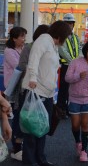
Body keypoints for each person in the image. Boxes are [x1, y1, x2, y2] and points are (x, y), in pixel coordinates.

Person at [21, 20, 72, 166]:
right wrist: (32, 78)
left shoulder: (53, 45)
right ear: (61, 34)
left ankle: (40, 159)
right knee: (32, 129)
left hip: (47, 93)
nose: (67, 39)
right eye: (66, 36)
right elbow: (33, 60)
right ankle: (31, 161)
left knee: (42, 127)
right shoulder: (43, 40)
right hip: (35, 90)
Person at [8, 25, 49, 162]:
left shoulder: (47, 48)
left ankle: (35, 154)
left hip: (41, 89)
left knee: (36, 121)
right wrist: (35, 72)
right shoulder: (29, 48)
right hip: (26, 88)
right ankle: (20, 150)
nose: (23, 39)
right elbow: (22, 66)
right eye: (21, 36)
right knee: (25, 119)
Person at [65, 39, 88, 162]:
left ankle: (84, 151)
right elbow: (67, 78)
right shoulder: (75, 62)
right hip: (74, 98)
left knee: (85, 124)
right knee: (75, 125)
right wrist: (78, 76)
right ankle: (78, 142)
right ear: (85, 50)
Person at [3, 26, 27, 161]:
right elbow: (19, 66)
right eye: (21, 37)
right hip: (13, 87)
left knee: (17, 114)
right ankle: (15, 147)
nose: (24, 39)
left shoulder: (22, 49)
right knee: (15, 114)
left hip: (21, 87)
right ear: (14, 38)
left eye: (24, 36)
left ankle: (17, 144)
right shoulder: (9, 51)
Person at [57, 13, 82, 119]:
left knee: (72, 89)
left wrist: (78, 63)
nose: (69, 25)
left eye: (71, 23)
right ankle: (60, 109)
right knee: (63, 89)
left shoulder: (76, 37)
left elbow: (80, 50)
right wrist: (74, 63)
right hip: (65, 66)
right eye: (67, 23)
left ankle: (68, 108)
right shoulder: (60, 37)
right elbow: (63, 52)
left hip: (74, 66)